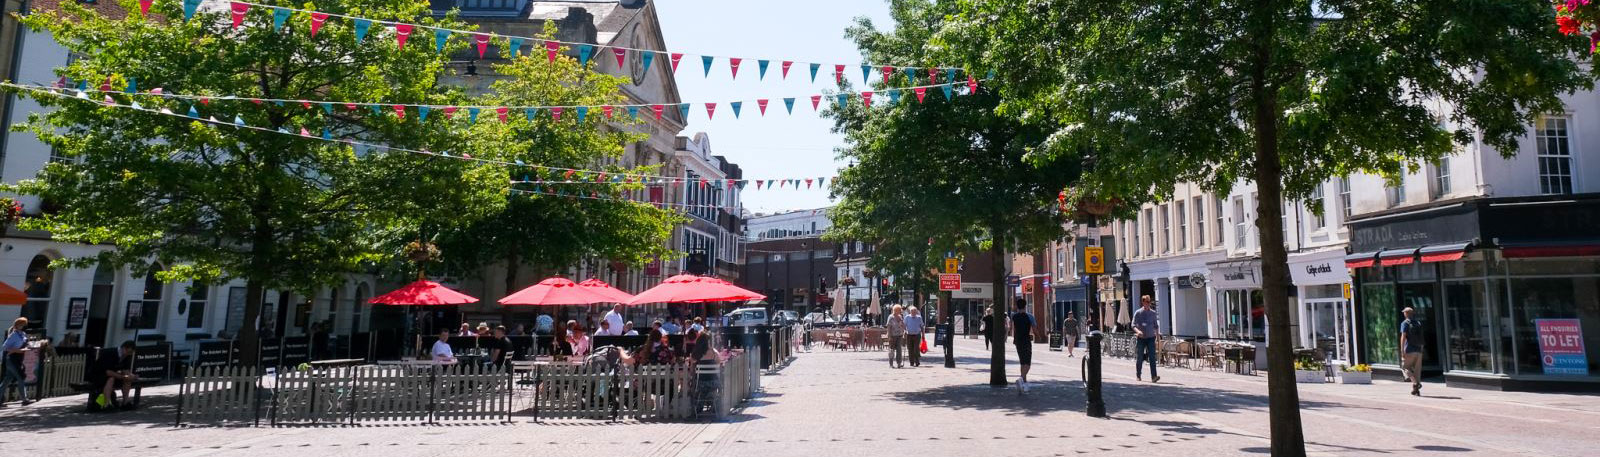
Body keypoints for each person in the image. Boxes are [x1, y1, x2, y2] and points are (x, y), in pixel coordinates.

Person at [90, 341, 138, 409]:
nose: (129, 354)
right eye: (128, 352)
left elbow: (125, 370)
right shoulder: (110, 353)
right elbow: (108, 372)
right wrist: (122, 377)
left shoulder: (127, 356)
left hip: (113, 375)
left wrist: (131, 376)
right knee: (111, 378)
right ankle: (107, 404)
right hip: (98, 375)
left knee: (128, 379)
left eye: (130, 353)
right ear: (124, 348)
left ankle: (125, 402)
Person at [1, 317, 32, 407]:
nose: (23, 326)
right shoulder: (14, 335)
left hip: (19, 359)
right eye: (21, 324)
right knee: (21, 377)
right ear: (17, 325)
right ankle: (24, 399)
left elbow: (26, 344)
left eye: (24, 324)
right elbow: (5, 347)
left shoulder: (23, 334)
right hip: (12, 359)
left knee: (7, 380)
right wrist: (16, 350)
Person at [1132, 295, 1161, 383]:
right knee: (1140, 357)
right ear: (1143, 302)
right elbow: (1133, 325)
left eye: (1149, 302)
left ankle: (1154, 376)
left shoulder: (1153, 313)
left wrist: (1157, 337)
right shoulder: (1138, 312)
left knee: (1152, 357)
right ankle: (1138, 375)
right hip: (1141, 338)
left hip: (1151, 338)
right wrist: (1138, 332)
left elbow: (1156, 326)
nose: (1148, 304)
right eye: (1146, 302)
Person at [1011, 299, 1035, 392]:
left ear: (1017, 306)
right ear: (1025, 306)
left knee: (1022, 361)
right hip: (1026, 340)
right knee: (1027, 363)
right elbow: (1034, 328)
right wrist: (1039, 336)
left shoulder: (1014, 317)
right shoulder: (1029, 316)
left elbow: (1012, 328)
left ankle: (1024, 382)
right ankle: (1021, 378)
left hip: (1017, 341)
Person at [1400, 307, 1424, 396]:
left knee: (1405, 367)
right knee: (1417, 371)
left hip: (1409, 349)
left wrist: (1402, 350)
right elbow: (1421, 336)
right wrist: (1421, 348)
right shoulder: (1418, 323)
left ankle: (1415, 383)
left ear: (1406, 313)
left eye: (1404, 312)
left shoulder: (1405, 323)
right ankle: (1416, 391)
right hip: (1418, 349)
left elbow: (1403, 337)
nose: (1403, 314)